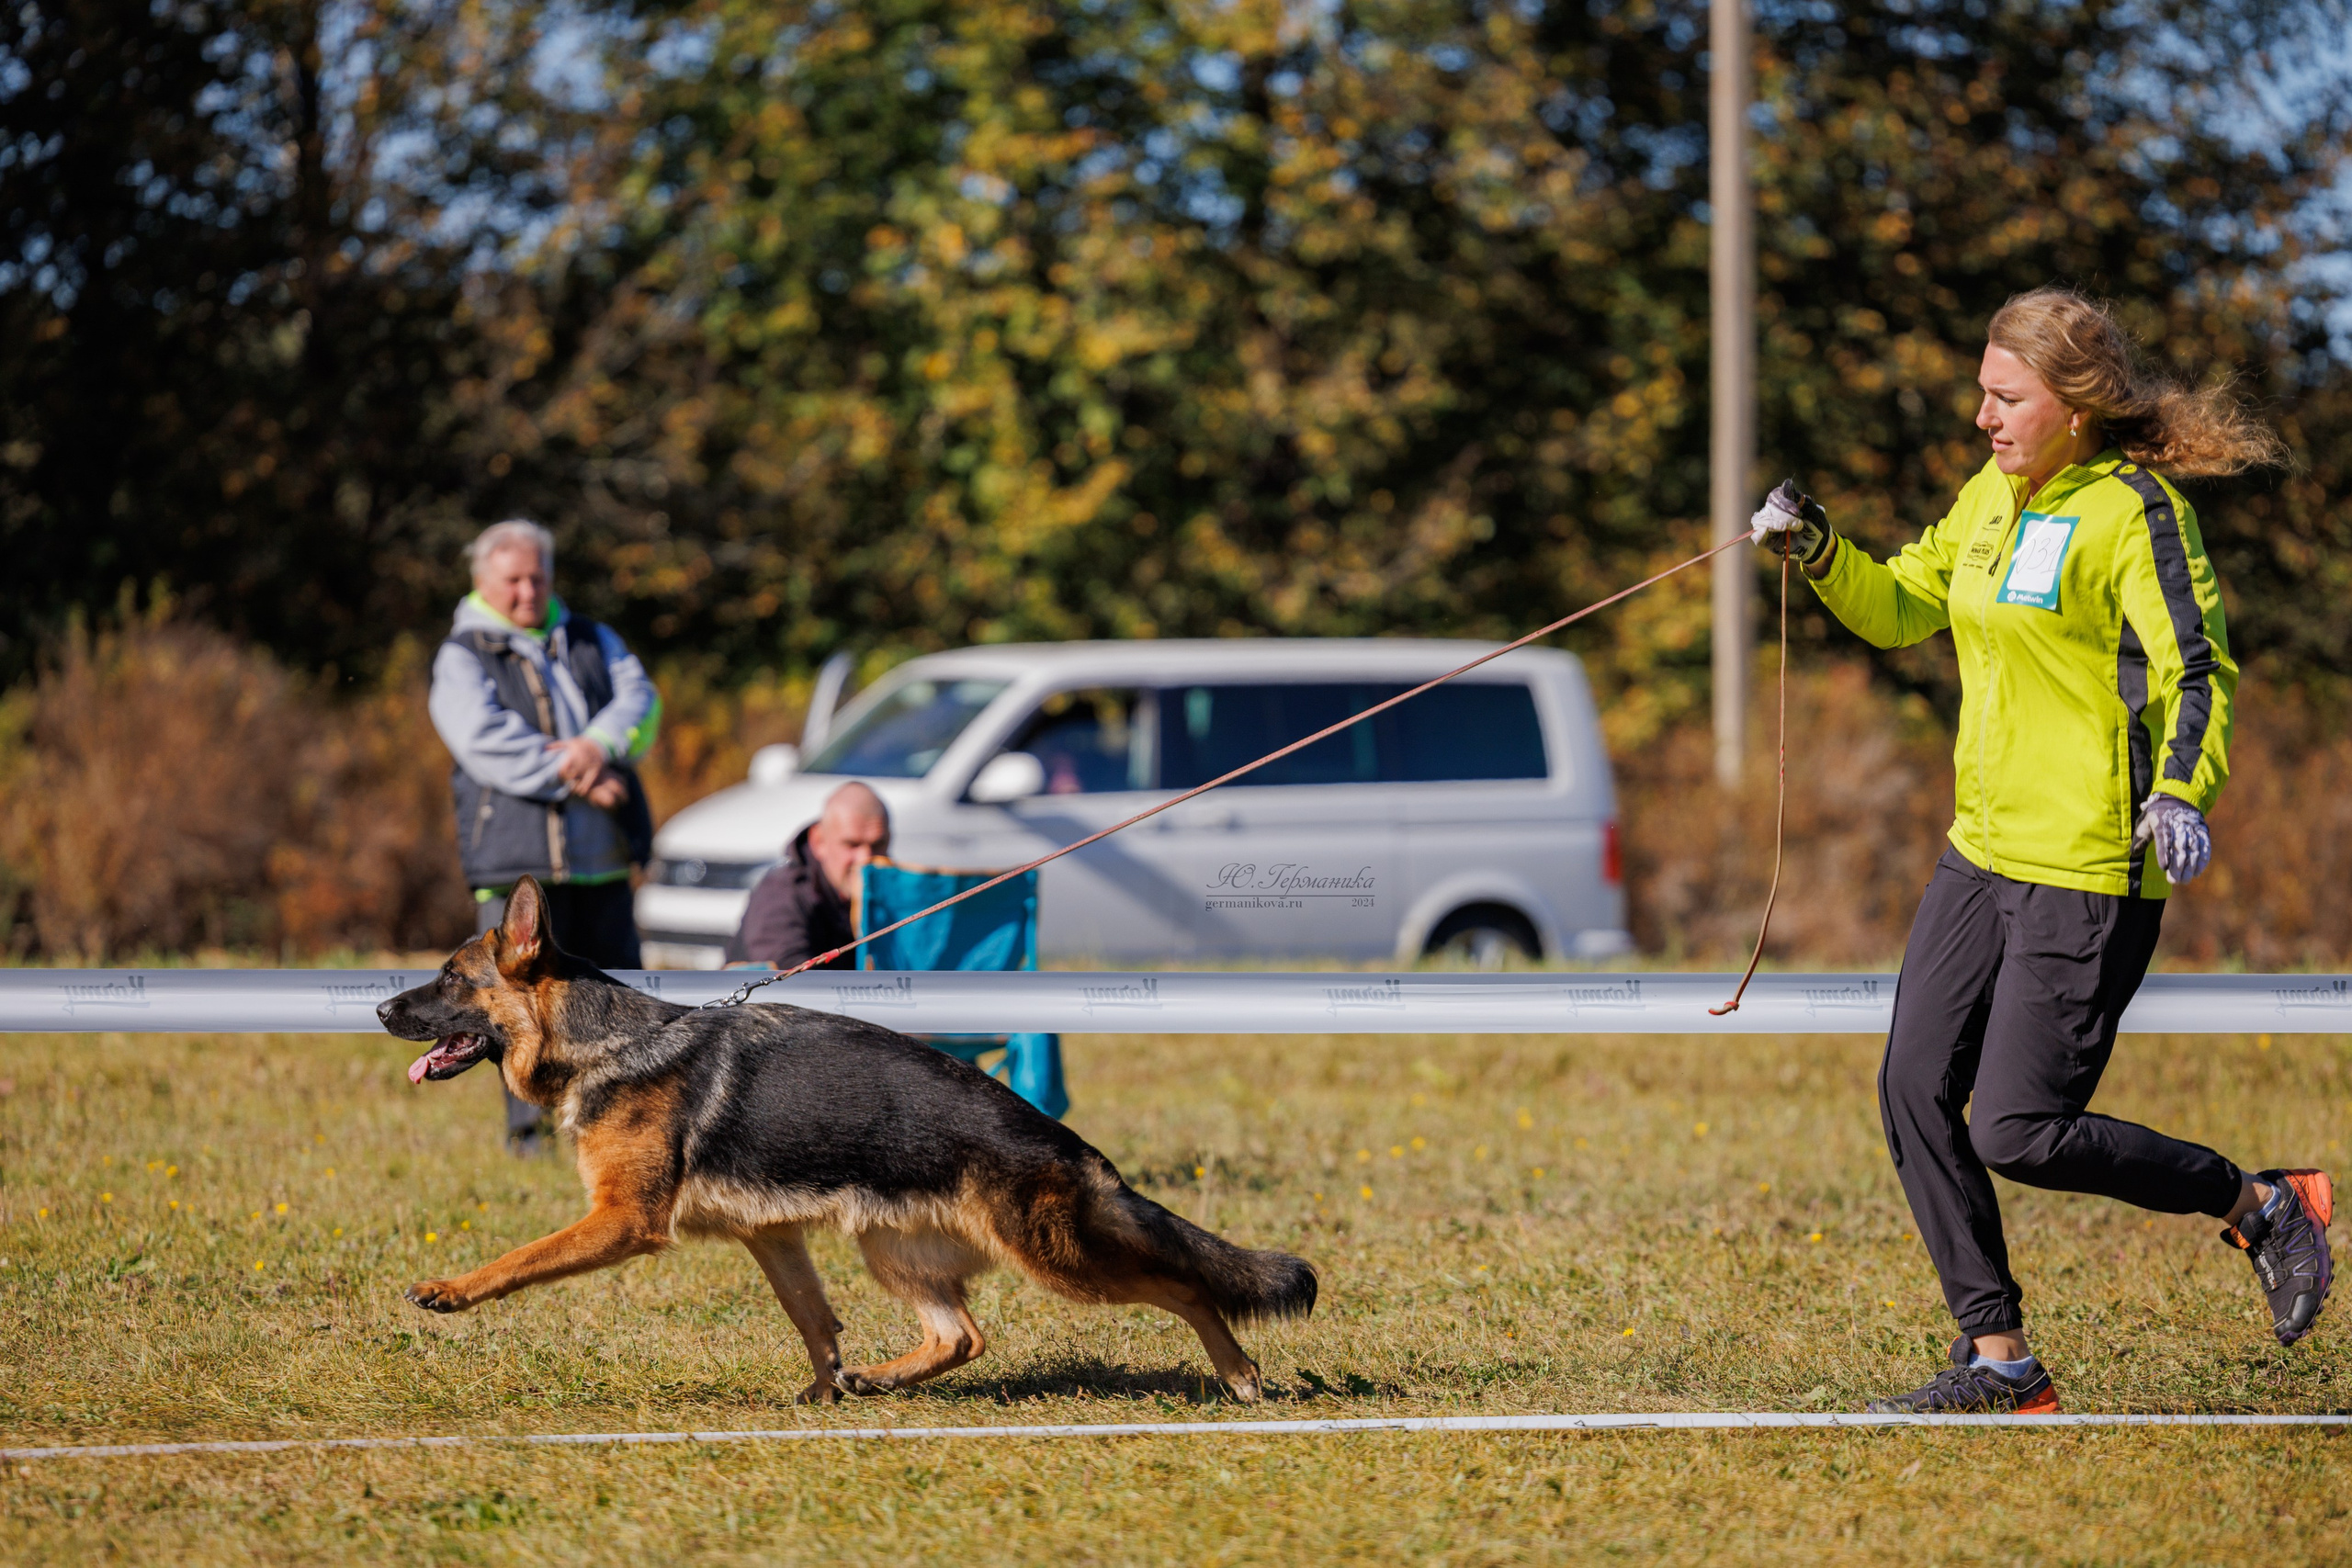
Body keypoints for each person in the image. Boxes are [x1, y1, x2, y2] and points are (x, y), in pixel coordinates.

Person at [1752, 287, 2326, 1415]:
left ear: (2072, 407)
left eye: (2004, 397)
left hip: (2090, 863)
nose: (1982, 417)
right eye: (1981, 392)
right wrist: (1818, 549)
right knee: (1912, 1089)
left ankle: (2261, 1204)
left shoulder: (2134, 512)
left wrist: (2179, 789)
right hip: (1981, 853)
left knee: (2018, 1128)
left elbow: (2198, 667)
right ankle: (2001, 1361)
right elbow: (1905, 603)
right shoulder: (1990, 496)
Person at [428, 518, 662, 1155]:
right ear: (483, 581)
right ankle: (526, 1131)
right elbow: (484, 742)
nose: (529, 591)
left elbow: (639, 701)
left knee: (620, 997)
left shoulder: (592, 636)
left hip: (603, 861)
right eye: (514, 580)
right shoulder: (463, 654)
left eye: (539, 577)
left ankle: (632, 1118)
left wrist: (596, 744)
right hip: (517, 861)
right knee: (507, 1007)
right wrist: (581, 773)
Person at [728, 783, 891, 971]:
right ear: (818, 841)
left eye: (878, 844)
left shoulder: (892, 892)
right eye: (852, 844)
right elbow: (790, 978)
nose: (865, 859)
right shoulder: (781, 894)